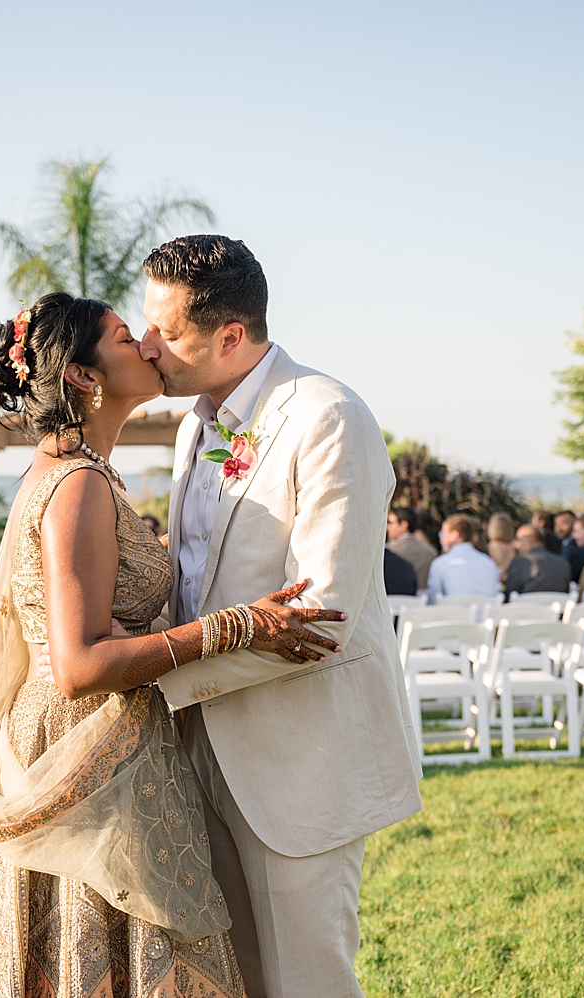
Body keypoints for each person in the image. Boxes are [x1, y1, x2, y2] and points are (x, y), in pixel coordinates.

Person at [0, 286, 356, 998]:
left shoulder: (82, 472)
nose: (146, 344)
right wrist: (237, 624)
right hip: (84, 748)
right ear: (84, 376)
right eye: (123, 337)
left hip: (106, 740)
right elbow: (81, 666)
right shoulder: (78, 482)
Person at [142, 235, 420, 996]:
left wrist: (156, 676)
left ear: (231, 336)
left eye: (166, 331)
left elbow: (320, 615)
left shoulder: (328, 415)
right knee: (238, 982)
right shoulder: (192, 425)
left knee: (306, 983)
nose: (147, 344)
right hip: (200, 752)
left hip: (299, 755)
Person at [427, 514, 501, 600]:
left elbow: (434, 600)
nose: (441, 540)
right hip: (485, 612)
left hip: (453, 612)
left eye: (443, 534)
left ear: (455, 535)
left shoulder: (440, 564)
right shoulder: (489, 563)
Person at [503, 524, 571, 595]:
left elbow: (510, 594)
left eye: (519, 540)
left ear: (531, 540)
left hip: (526, 605)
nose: (516, 545)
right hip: (556, 605)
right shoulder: (563, 563)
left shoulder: (519, 562)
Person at [386, 506, 437, 590]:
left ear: (404, 525)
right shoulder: (431, 552)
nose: (388, 528)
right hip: (423, 600)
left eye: (390, 523)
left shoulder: (390, 552)